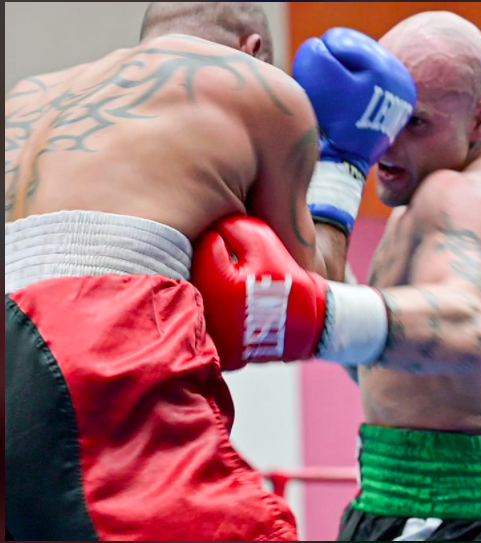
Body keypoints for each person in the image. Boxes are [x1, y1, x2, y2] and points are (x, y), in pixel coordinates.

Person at [4, 2, 414, 540]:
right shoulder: (261, 89)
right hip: (94, 344)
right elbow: (307, 292)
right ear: (254, 50)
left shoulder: (27, 97)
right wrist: (345, 160)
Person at [191, 10, 481, 542]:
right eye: (383, 116)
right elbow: (391, 365)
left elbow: (467, 325)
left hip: (449, 511)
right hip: (400, 495)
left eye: (416, 123)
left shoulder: (469, 195)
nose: (388, 143)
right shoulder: (422, 206)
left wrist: (316, 315)